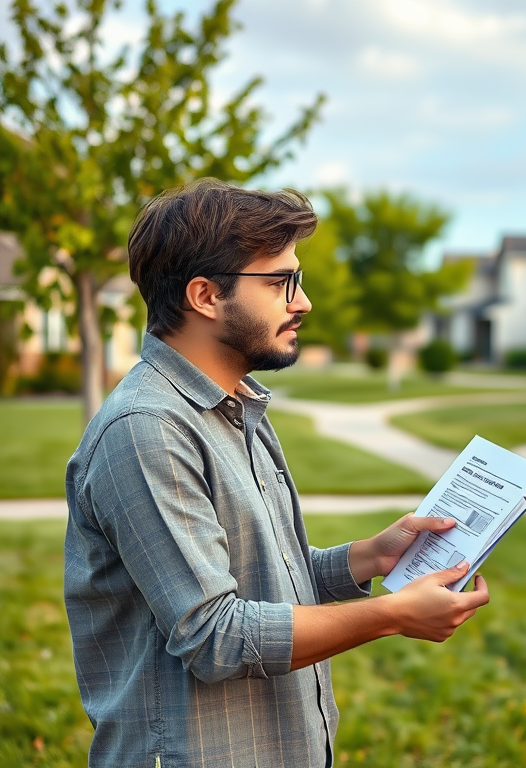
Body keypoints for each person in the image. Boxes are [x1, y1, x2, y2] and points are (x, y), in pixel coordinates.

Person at [64, 178, 490, 768]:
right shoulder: (147, 430)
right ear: (205, 295)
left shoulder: (237, 406)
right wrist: (390, 615)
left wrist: (371, 557)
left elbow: (262, 577)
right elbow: (213, 635)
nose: (303, 301)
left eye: (299, 279)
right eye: (279, 282)